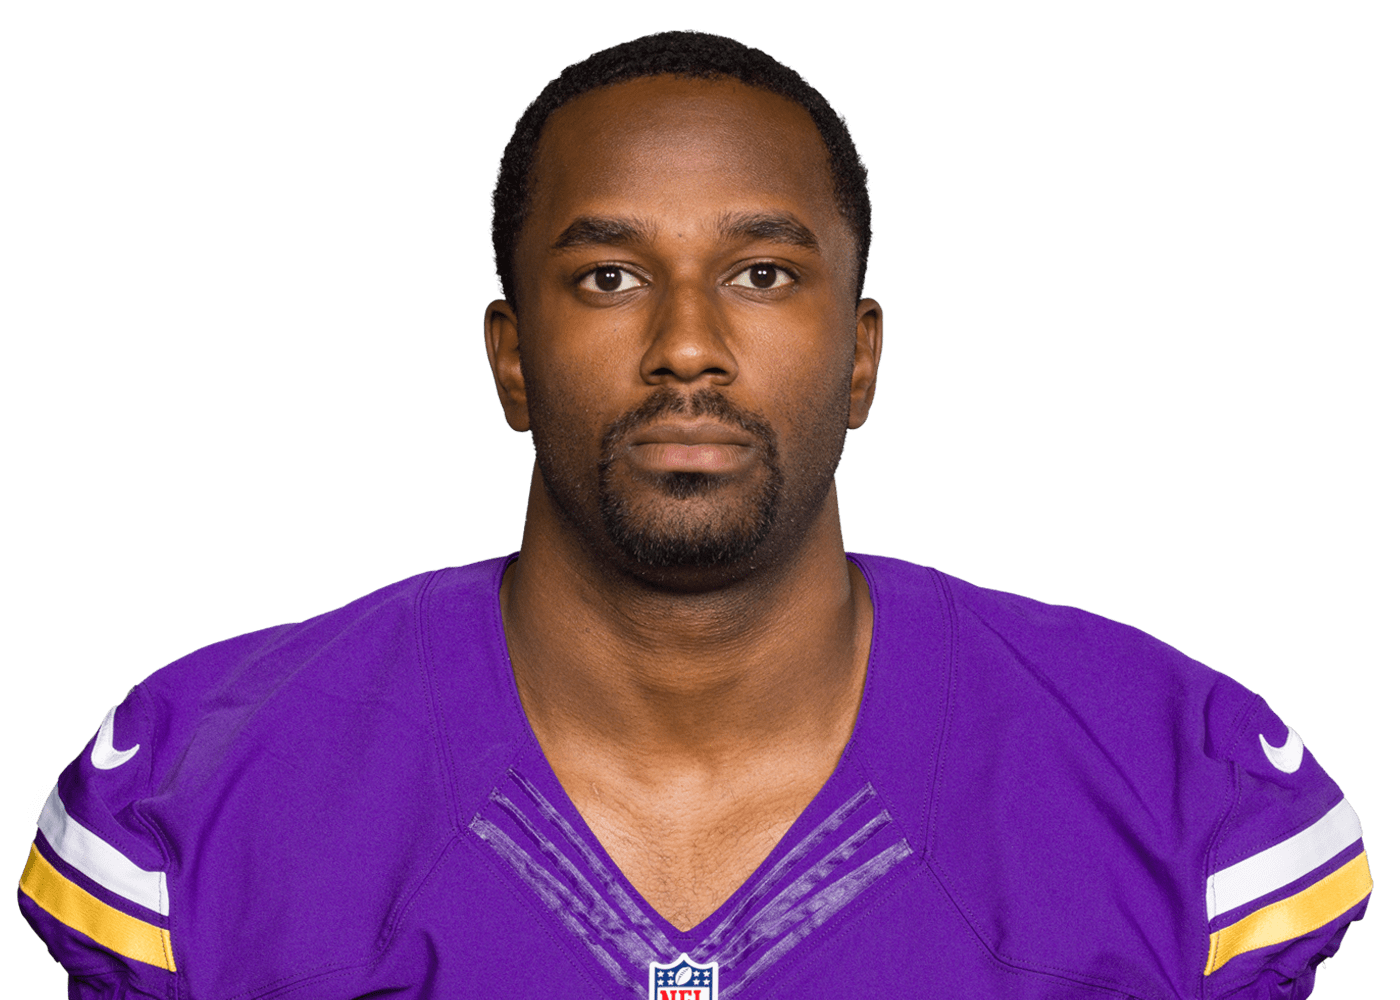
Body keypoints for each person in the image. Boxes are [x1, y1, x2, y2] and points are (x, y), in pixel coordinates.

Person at [17, 30, 1372, 1000]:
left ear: (861, 357)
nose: (686, 346)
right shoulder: (215, 786)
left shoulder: (1165, 779)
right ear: (510, 358)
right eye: (609, 278)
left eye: (763, 273)